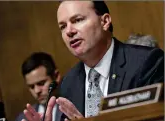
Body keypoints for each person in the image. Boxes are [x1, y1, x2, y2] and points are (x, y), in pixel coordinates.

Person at [23, 1, 164, 121]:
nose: (69, 32)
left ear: (105, 21)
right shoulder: (69, 83)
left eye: (77, 20)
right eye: (63, 26)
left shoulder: (147, 63)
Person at [15, 52, 62, 121]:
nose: (37, 91)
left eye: (41, 83)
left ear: (56, 77)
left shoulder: (74, 106)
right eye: (31, 87)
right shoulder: (23, 118)